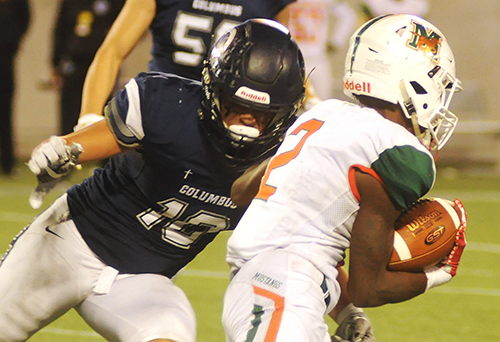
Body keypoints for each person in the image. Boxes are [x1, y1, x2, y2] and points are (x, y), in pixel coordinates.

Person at [0, 19, 305, 342]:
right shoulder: (169, 107)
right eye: (236, 105)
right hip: (69, 245)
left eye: (263, 114)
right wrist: (64, 150)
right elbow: (88, 141)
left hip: (140, 281)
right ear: (213, 90)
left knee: (168, 335)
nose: (247, 122)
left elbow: (312, 248)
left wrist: (345, 310)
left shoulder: (291, 154)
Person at [222, 14, 467, 342]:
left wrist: (348, 312)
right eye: (440, 86)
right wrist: (439, 274)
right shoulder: (399, 152)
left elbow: (242, 193)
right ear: (414, 81)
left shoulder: (325, 113)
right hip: (285, 290)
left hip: (272, 285)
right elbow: (368, 288)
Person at [74, 0, 298, 131]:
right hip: (163, 111)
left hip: (229, 117)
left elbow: (279, 58)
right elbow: (113, 51)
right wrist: (89, 117)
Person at [50, 0, 125, 135]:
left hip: (102, 67)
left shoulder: (115, 2)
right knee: (70, 116)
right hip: (74, 65)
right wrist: (55, 63)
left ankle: (101, 154)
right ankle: (68, 151)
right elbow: (60, 30)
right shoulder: (70, 3)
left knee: (101, 116)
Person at [0, 0, 31, 175]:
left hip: (4, 57)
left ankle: (7, 163)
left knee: (4, 111)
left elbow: (24, 18)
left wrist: (11, 43)